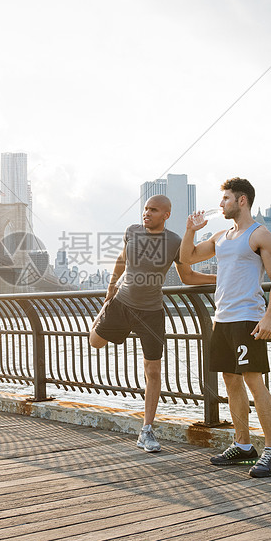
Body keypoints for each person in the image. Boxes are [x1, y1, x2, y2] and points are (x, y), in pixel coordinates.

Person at [180, 177, 271, 478]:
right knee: (230, 379)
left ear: (242, 200)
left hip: (248, 317)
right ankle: (242, 445)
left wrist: (268, 317)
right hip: (222, 319)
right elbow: (187, 258)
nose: (221, 204)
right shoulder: (220, 237)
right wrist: (190, 230)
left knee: (253, 380)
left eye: (226, 198)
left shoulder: (259, 234)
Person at [90, 194, 215, 453]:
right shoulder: (132, 231)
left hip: (151, 312)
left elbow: (188, 276)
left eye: (153, 210)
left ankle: (146, 430)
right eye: (145, 209)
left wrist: (220, 277)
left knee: (154, 371)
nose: (146, 213)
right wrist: (110, 288)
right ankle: (101, 316)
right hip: (121, 304)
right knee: (95, 342)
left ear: (166, 215)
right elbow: (122, 260)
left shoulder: (174, 242)